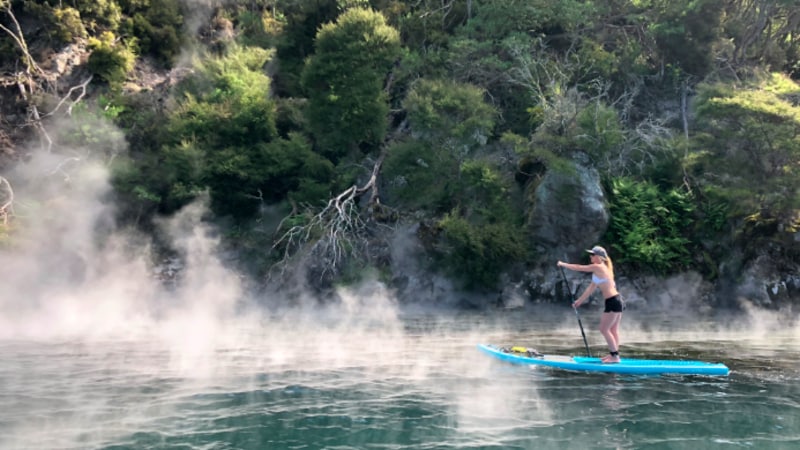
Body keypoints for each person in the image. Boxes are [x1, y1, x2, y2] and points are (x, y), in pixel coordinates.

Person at [557, 246, 624, 363]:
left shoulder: (598, 267)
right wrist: (579, 301)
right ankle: (613, 354)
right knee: (612, 330)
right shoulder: (599, 271)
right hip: (616, 301)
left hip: (613, 301)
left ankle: (615, 356)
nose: (590, 256)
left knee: (604, 329)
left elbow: (579, 268)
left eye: (592, 255)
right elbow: (590, 288)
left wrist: (563, 264)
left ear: (599, 257)